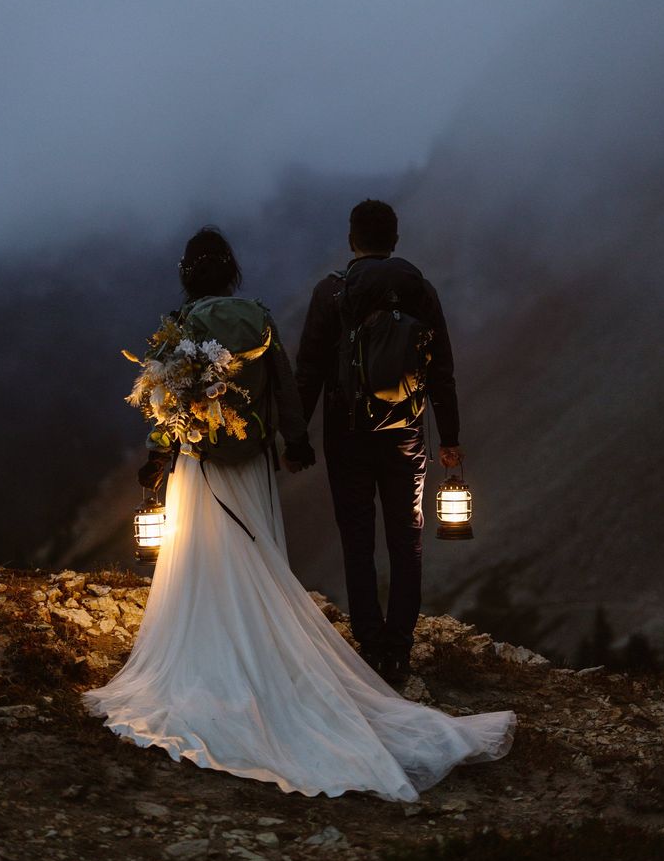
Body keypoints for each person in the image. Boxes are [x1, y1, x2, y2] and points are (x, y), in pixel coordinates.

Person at [84, 227, 514, 801]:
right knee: (271, 547)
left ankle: (219, 646)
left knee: (205, 554)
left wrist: (158, 461)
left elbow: (167, 404)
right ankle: (339, 649)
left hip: (202, 461)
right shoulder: (258, 317)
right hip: (255, 460)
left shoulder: (180, 328)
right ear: (231, 271)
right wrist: (294, 441)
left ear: (188, 273)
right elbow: (287, 382)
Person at [295, 200, 461, 685]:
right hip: (405, 432)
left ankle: (369, 644)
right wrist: (449, 437)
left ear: (352, 240)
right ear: (395, 239)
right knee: (406, 538)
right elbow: (441, 370)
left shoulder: (332, 292)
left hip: (347, 433)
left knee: (357, 538)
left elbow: (309, 370)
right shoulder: (419, 291)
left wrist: (296, 435)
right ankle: (399, 647)